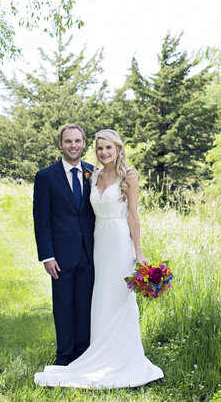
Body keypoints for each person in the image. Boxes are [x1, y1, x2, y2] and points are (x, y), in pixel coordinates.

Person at [34, 129, 164, 388]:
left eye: (109, 148)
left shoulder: (127, 175)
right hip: (97, 246)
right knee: (98, 298)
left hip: (118, 244)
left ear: (118, 149)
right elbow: (50, 217)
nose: (104, 153)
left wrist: (138, 253)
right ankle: (82, 353)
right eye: (100, 148)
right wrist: (47, 254)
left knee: (119, 298)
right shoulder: (91, 175)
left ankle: (118, 357)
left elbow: (133, 216)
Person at [33, 124, 95, 366]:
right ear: (60, 145)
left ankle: (83, 352)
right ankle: (65, 354)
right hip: (60, 254)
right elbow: (41, 219)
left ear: (83, 144)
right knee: (63, 303)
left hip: (90, 253)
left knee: (85, 302)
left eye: (77, 141)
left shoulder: (93, 173)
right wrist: (47, 255)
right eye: (68, 141)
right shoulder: (46, 176)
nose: (73, 146)